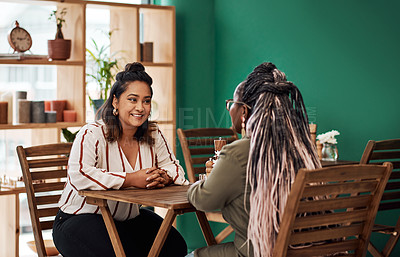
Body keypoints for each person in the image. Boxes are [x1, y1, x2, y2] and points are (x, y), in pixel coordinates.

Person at [53, 62, 189, 257]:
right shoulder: (92, 133)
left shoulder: (153, 133)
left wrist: (164, 177)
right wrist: (132, 179)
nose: (140, 108)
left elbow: (175, 169)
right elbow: (80, 175)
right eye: (132, 100)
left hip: (127, 220)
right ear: (116, 102)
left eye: (146, 101)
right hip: (79, 218)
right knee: (124, 253)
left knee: (175, 247)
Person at [186, 62, 321, 257]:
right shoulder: (301, 149)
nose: (229, 108)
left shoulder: (238, 152)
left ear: (244, 112)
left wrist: (198, 184)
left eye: (232, 103)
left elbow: (203, 200)